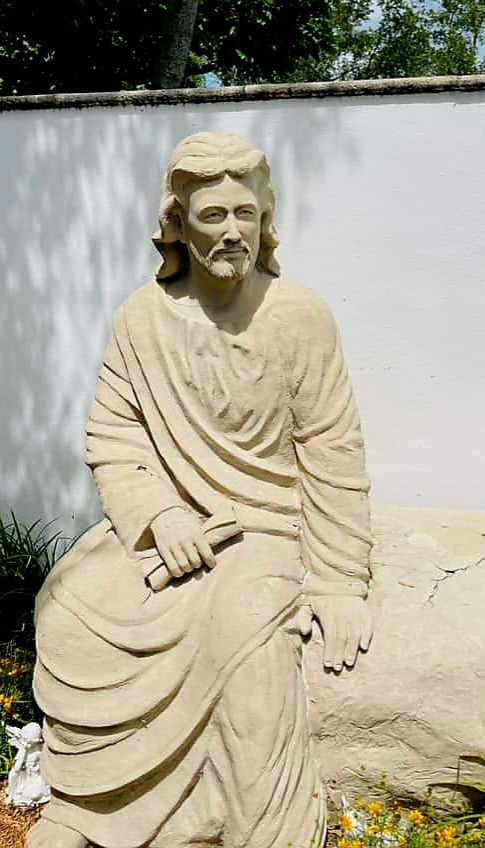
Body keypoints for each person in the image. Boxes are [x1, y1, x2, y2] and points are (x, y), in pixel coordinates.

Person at [27, 131, 373, 848]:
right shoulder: (142, 318)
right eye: (212, 216)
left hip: (265, 530)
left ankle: (260, 829)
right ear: (178, 225)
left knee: (243, 632)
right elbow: (113, 438)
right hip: (172, 531)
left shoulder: (299, 317)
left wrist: (339, 581)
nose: (231, 232)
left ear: (265, 219)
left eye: (244, 214)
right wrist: (158, 515)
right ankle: (89, 810)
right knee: (69, 606)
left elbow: (331, 451)